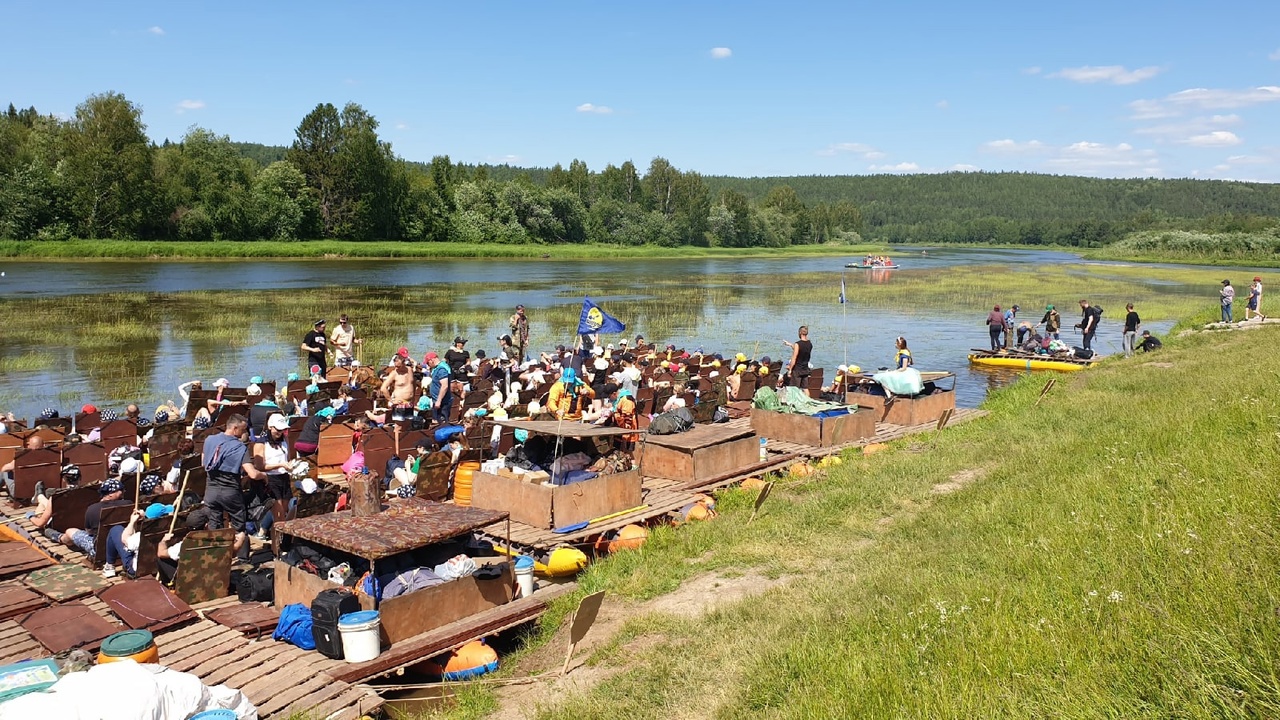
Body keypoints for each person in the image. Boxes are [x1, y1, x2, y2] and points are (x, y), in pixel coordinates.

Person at [202, 414, 266, 555]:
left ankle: (215, 557)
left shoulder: (209, 440)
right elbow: (253, 474)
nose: (245, 433)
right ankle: (242, 559)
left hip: (211, 491)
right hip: (230, 492)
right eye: (243, 430)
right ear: (235, 428)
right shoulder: (239, 447)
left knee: (214, 525)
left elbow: (203, 462)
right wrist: (264, 475)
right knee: (239, 527)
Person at [102, 508, 147, 578]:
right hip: (155, 566)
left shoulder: (140, 537)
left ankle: (109, 567)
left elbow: (124, 539)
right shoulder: (168, 534)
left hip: (136, 569)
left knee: (116, 529)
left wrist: (132, 522)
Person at [380, 351, 416, 420]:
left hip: (409, 403)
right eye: (395, 364)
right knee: (399, 426)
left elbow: (413, 383)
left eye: (398, 366)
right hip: (399, 404)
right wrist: (391, 400)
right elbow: (383, 388)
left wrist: (413, 397)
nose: (396, 367)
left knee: (408, 424)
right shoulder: (394, 373)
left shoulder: (410, 370)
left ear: (403, 361)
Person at [424, 352, 453, 423]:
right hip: (436, 400)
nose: (428, 365)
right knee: (435, 421)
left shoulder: (441, 370)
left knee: (442, 422)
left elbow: (444, 386)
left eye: (428, 363)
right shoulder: (437, 368)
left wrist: (439, 401)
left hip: (442, 402)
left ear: (431, 360)